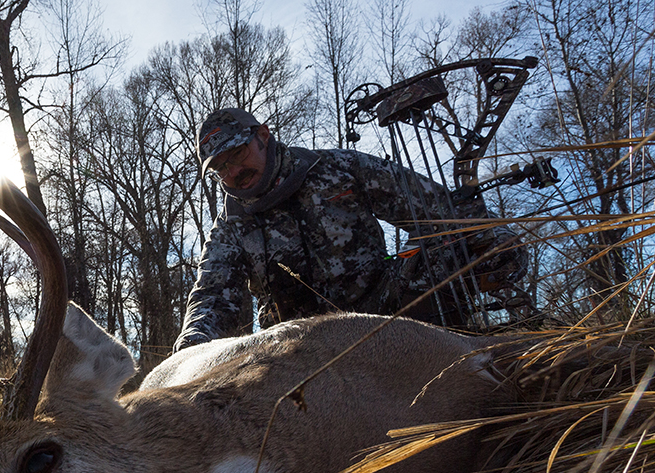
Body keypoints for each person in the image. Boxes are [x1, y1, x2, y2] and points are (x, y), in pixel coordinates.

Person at [174, 107, 520, 352]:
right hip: (296, 351)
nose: (233, 172)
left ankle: (462, 358)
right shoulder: (230, 225)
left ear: (263, 135)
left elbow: (436, 210)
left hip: (385, 314)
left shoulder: (338, 168)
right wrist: (189, 350)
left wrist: (490, 241)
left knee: (452, 249)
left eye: (237, 154)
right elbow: (211, 297)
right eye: (220, 168)